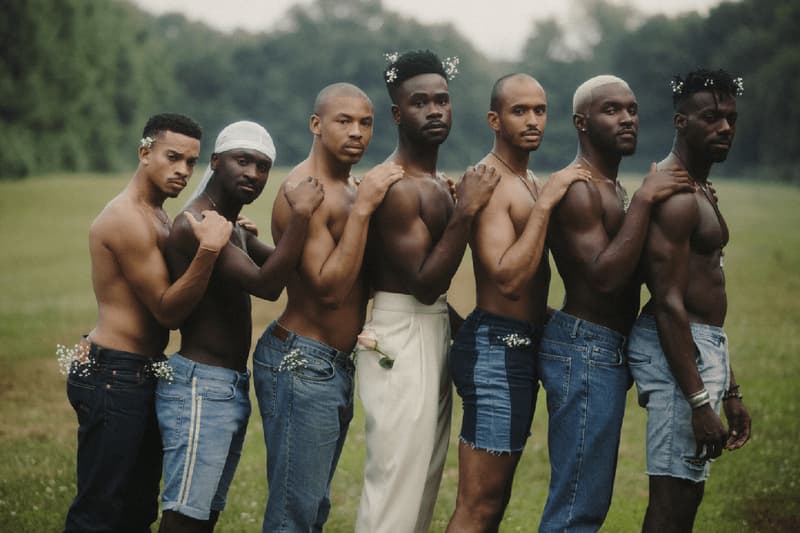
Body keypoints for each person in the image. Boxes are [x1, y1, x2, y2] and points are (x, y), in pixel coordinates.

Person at [538, 75, 694, 532]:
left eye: (632, 109)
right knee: (577, 507)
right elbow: (606, 278)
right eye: (612, 110)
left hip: (605, 350)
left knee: (588, 499)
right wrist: (645, 200)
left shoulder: (611, 185)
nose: (627, 119)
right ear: (581, 123)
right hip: (586, 349)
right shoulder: (581, 190)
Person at [64, 113, 233, 532]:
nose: (182, 170)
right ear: (144, 153)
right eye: (172, 157)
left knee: (137, 508)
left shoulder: (157, 214)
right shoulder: (126, 218)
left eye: (192, 162)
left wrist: (225, 240)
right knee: (100, 511)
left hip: (139, 371)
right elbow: (166, 309)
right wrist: (209, 253)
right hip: (114, 374)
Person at [354, 49, 500, 533]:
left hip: (432, 328)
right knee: (395, 479)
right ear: (398, 114)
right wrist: (467, 212)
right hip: (399, 331)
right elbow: (423, 284)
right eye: (420, 102)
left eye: (443, 100)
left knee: (423, 479)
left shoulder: (436, 182)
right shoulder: (398, 188)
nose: (435, 110)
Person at [156, 121, 324, 532]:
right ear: (215, 162)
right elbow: (268, 286)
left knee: (206, 514)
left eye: (263, 167)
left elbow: (289, 262)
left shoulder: (229, 228)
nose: (252, 174)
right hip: (200, 384)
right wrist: (300, 215)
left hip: (227, 385)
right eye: (242, 161)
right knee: (184, 517)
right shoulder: (197, 224)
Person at [252, 83, 403, 532]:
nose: (357, 132)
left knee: (311, 506)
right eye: (344, 121)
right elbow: (330, 290)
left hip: (334, 364)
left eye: (366, 122)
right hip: (302, 362)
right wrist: (363, 212)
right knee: (293, 514)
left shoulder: (352, 186)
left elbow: (367, 278)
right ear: (316, 125)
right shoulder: (305, 191)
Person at [445, 73, 589, 532]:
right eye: (519, 111)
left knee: (494, 503)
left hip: (518, 346)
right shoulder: (490, 182)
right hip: (496, 350)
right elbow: (507, 278)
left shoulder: (525, 177)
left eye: (540, 110)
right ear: (494, 119)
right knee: (478, 506)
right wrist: (545, 207)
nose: (532, 120)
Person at [627, 69, 751, 532]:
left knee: (688, 492)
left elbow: (704, 302)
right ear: (681, 122)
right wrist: (700, 401)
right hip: (678, 355)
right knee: (672, 499)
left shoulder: (697, 187)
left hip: (700, 348)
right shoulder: (675, 194)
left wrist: (730, 389)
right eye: (710, 117)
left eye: (731, 118)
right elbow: (668, 304)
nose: (724, 128)